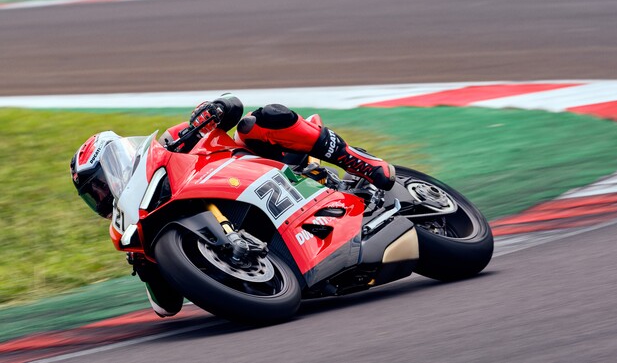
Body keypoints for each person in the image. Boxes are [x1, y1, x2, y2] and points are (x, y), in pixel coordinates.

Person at [70, 93, 395, 317]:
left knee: (261, 121)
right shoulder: (133, 233)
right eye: (93, 194)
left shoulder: (170, 143)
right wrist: (145, 265)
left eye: (102, 182)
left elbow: (232, 106)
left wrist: (212, 110)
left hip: (255, 167)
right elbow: (166, 307)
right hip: (261, 250)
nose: (102, 194)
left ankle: (359, 161)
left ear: (121, 158)